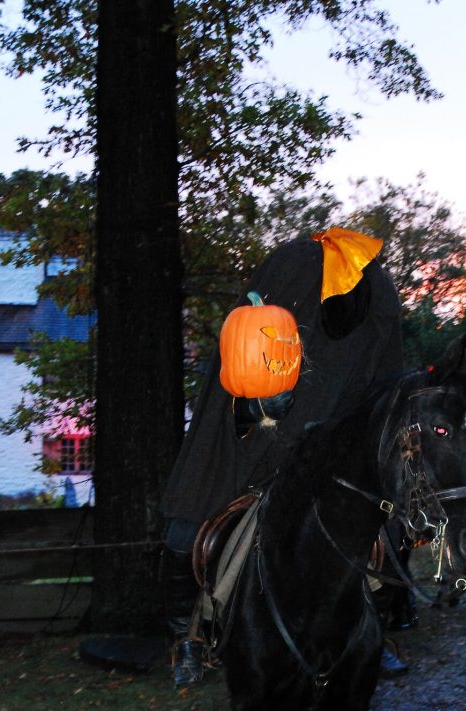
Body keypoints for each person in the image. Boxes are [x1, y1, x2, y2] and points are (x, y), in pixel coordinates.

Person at [161, 228, 408, 684]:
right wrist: (254, 410)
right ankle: (187, 638)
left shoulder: (368, 329)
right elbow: (231, 392)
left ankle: (375, 628)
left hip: (322, 459)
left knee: (383, 528)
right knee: (184, 532)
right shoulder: (265, 314)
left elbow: (376, 392)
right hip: (253, 454)